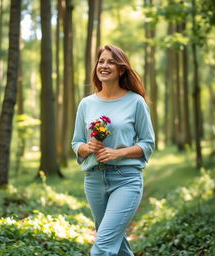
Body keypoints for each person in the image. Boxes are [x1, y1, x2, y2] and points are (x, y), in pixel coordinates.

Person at [72, 45, 155, 256]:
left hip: (126, 179)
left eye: (111, 62)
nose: (104, 65)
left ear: (121, 70)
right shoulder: (86, 104)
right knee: (114, 244)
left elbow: (148, 143)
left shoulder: (135, 102)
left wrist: (118, 153)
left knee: (102, 247)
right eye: (101, 61)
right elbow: (76, 143)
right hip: (94, 180)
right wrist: (86, 147)